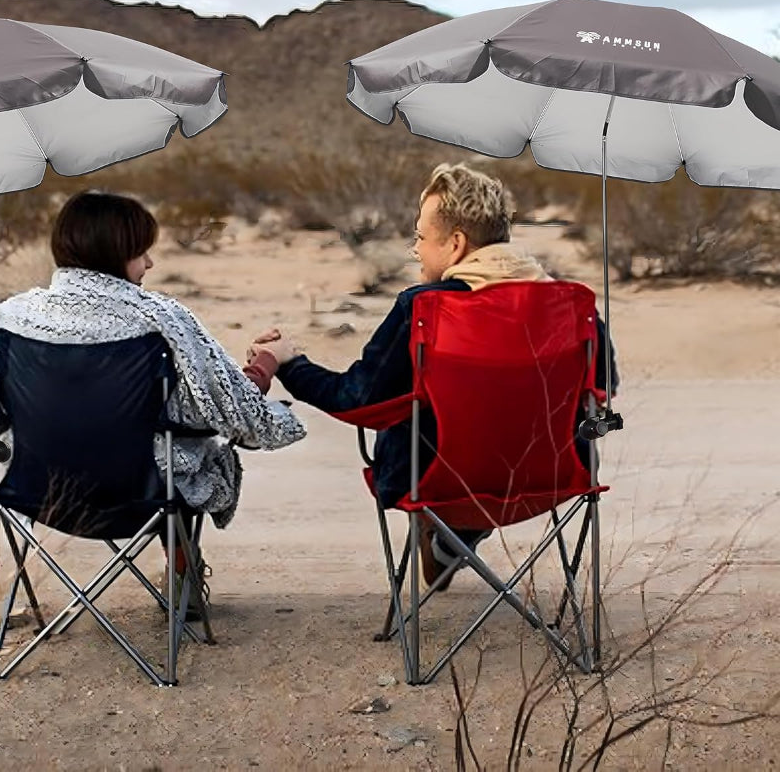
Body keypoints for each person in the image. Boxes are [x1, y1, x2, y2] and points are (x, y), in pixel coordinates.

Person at [247, 163, 617, 590]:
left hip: (435, 481)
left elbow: (357, 401)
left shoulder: (425, 308)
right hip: (554, 477)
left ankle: (451, 534)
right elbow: (604, 388)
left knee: (416, 418)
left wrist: (290, 363)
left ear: (456, 244)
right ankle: (454, 541)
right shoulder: (572, 306)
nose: (415, 250)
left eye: (421, 237)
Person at [0, 190, 306, 606]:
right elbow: (233, 408)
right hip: (138, 496)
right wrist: (266, 363)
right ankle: (182, 573)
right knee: (175, 446)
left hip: (36, 490)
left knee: (156, 438)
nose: (149, 264)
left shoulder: (9, 318)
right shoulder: (160, 318)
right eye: (140, 252)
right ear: (112, 253)